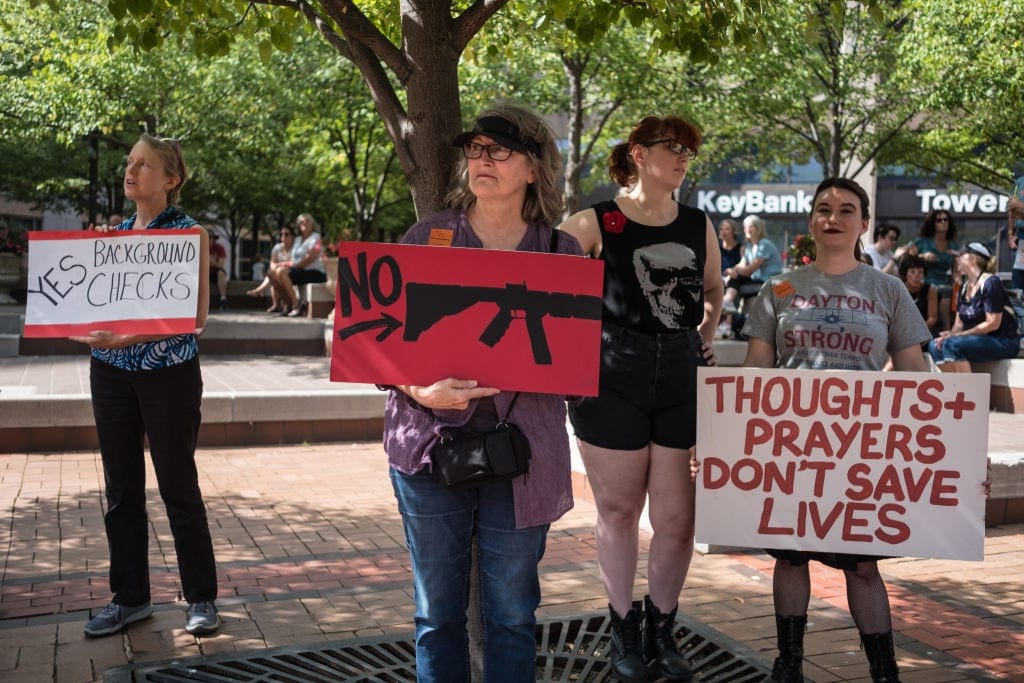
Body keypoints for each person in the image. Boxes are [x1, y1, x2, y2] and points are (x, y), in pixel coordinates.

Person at [383, 103, 581, 682]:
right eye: (475, 150)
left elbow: (576, 364)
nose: (482, 160)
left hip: (524, 458)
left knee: (514, 615)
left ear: (534, 168)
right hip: (427, 448)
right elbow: (372, 338)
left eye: (499, 150)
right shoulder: (429, 237)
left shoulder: (561, 252)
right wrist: (417, 388)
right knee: (436, 614)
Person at [741, 177, 932, 683]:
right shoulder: (779, 287)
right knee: (790, 556)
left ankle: (884, 670)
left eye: (847, 210)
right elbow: (756, 374)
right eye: (823, 208)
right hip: (791, 447)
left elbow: (917, 377)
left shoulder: (888, 288)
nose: (833, 217)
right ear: (810, 221)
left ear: (863, 223)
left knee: (863, 564)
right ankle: (788, 663)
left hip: (859, 450)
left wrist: (954, 447)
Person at [558, 114, 723, 682]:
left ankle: (663, 629)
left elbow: (714, 290)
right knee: (619, 511)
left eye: (689, 151)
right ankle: (623, 630)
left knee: (677, 522)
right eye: (673, 147)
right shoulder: (593, 221)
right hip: (611, 375)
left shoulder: (699, 223)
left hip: (680, 376)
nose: (682, 158)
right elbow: (544, 277)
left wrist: (703, 340)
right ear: (638, 153)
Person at [71, 134, 221, 638]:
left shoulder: (190, 234)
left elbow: (193, 317)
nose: (130, 171)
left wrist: (122, 336)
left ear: (171, 179)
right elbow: (91, 308)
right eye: (129, 163)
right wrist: (78, 325)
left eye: (143, 164)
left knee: (178, 485)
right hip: (110, 372)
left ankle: (201, 598)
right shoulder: (110, 238)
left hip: (168, 373)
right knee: (121, 490)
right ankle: (130, 598)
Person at [928, 242, 1021, 372]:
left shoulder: (991, 283)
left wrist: (959, 336)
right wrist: (950, 334)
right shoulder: (965, 287)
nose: (956, 259)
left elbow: (992, 323)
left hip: (1003, 341)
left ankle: (968, 389)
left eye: (960, 255)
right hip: (978, 340)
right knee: (935, 345)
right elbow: (959, 324)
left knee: (952, 345)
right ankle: (954, 385)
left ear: (972, 259)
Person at [906, 209, 960, 331]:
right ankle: (947, 330)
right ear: (933, 223)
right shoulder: (923, 241)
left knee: (952, 291)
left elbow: (956, 272)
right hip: (925, 281)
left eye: (945, 219)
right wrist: (923, 256)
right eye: (939, 220)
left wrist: (959, 281)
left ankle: (950, 330)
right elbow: (908, 258)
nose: (943, 222)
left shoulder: (952, 245)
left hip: (944, 281)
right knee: (944, 292)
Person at [722, 214, 783, 313]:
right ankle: (728, 307)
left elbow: (750, 269)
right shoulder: (750, 247)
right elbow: (741, 265)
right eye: (745, 227)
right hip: (757, 281)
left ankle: (727, 302)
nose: (747, 229)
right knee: (732, 279)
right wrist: (732, 271)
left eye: (750, 226)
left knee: (734, 279)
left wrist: (734, 271)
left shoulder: (764, 244)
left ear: (758, 228)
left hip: (769, 284)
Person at [269, 212, 326, 317]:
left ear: (312, 224)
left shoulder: (316, 238)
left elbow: (310, 258)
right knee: (272, 274)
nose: (304, 223)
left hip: (314, 272)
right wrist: (283, 264)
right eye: (301, 222)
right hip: (299, 271)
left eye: (307, 221)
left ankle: (296, 306)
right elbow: (294, 259)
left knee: (281, 272)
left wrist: (292, 266)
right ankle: (288, 304)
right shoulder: (298, 239)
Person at [248, 225, 296, 312]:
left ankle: (260, 290)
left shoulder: (296, 248)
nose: (283, 236)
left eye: (286, 234)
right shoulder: (277, 247)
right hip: (278, 272)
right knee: (272, 274)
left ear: (292, 236)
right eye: (281, 234)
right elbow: (272, 262)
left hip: (290, 273)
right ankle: (276, 304)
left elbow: (294, 263)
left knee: (274, 275)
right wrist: (276, 267)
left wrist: (279, 266)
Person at [899, 254, 939, 337]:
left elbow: (932, 319)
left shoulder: (930, 290)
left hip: (924, 329)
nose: (916, 276)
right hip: (902, 331)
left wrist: (915, 330)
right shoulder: (899, 289)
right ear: (905, 274)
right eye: (912, 272)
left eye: (920, 272)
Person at [1006, 176, 1024, 291]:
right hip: (1022, 236)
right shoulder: (1019, 182)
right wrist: (1010, 233)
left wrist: (1020, 207)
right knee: (1019, 283)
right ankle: (1019, 309)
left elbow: (1016, 207)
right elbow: (1011, 210)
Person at [209, 231, 229, 310]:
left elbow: (220, 265)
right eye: (209, 238)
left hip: (215, 272)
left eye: (212, 238)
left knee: (221, 273)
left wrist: (211, 259)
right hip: (203, 272)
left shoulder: (220, 248)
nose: (211, 240)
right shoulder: (199, 247)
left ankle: (223, 298)